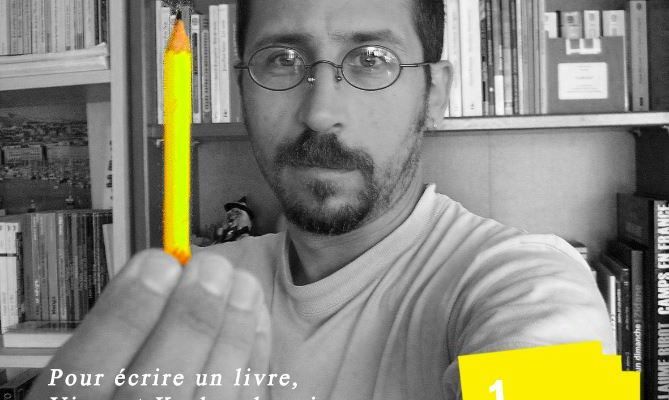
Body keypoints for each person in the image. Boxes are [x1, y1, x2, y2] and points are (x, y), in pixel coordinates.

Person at [27, 0, 614, 399]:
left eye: (373, 59)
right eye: (281, 60)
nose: (320, 112)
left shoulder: (527, 277)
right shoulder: (193, 287)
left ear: (434, 93)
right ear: (240, 91)